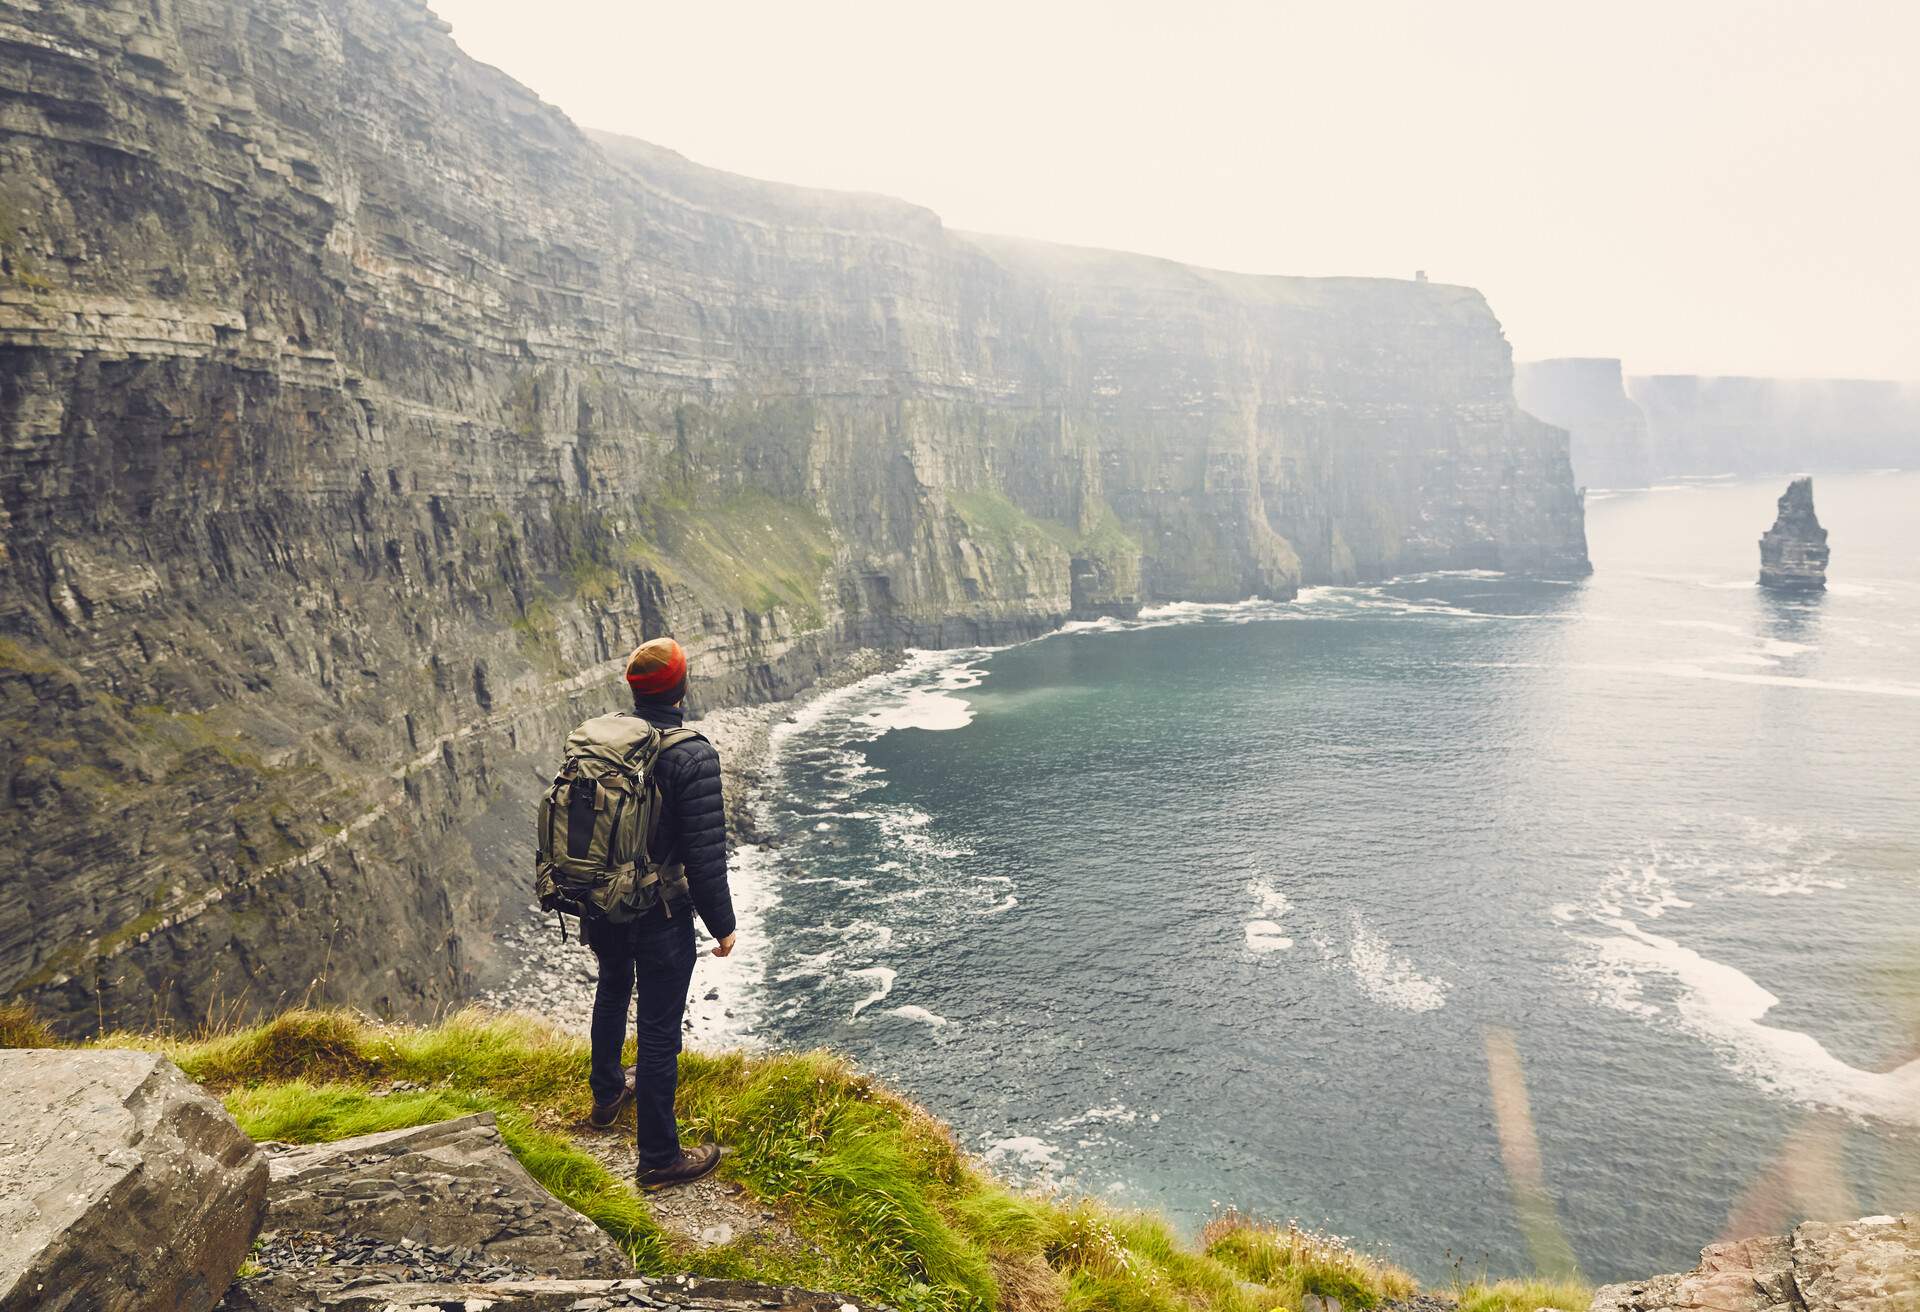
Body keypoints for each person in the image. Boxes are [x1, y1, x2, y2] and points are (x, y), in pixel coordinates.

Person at [580, 636, 736, 1190]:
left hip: (603, 903)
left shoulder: (606, 741)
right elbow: (704, 854)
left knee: (612, 987)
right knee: (659, 1030)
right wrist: (723, 926)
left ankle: (605, 1100)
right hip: (661, 912)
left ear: (633, 688)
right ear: (682, 686)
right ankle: (659, 1159)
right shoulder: (691, 754)